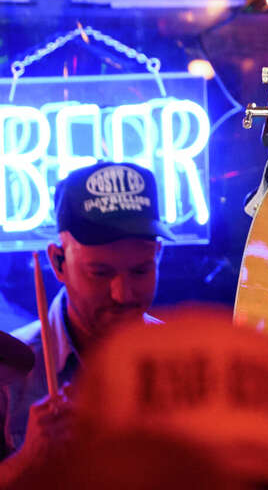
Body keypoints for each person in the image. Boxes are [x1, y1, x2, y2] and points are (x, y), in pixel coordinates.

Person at [0, 161, 167, 486]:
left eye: (141, 270)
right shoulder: (8, 375)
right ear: (58, 262)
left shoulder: (187, 362)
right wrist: (26, 462)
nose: (123, 294)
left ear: (158, 256)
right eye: (100, 273)